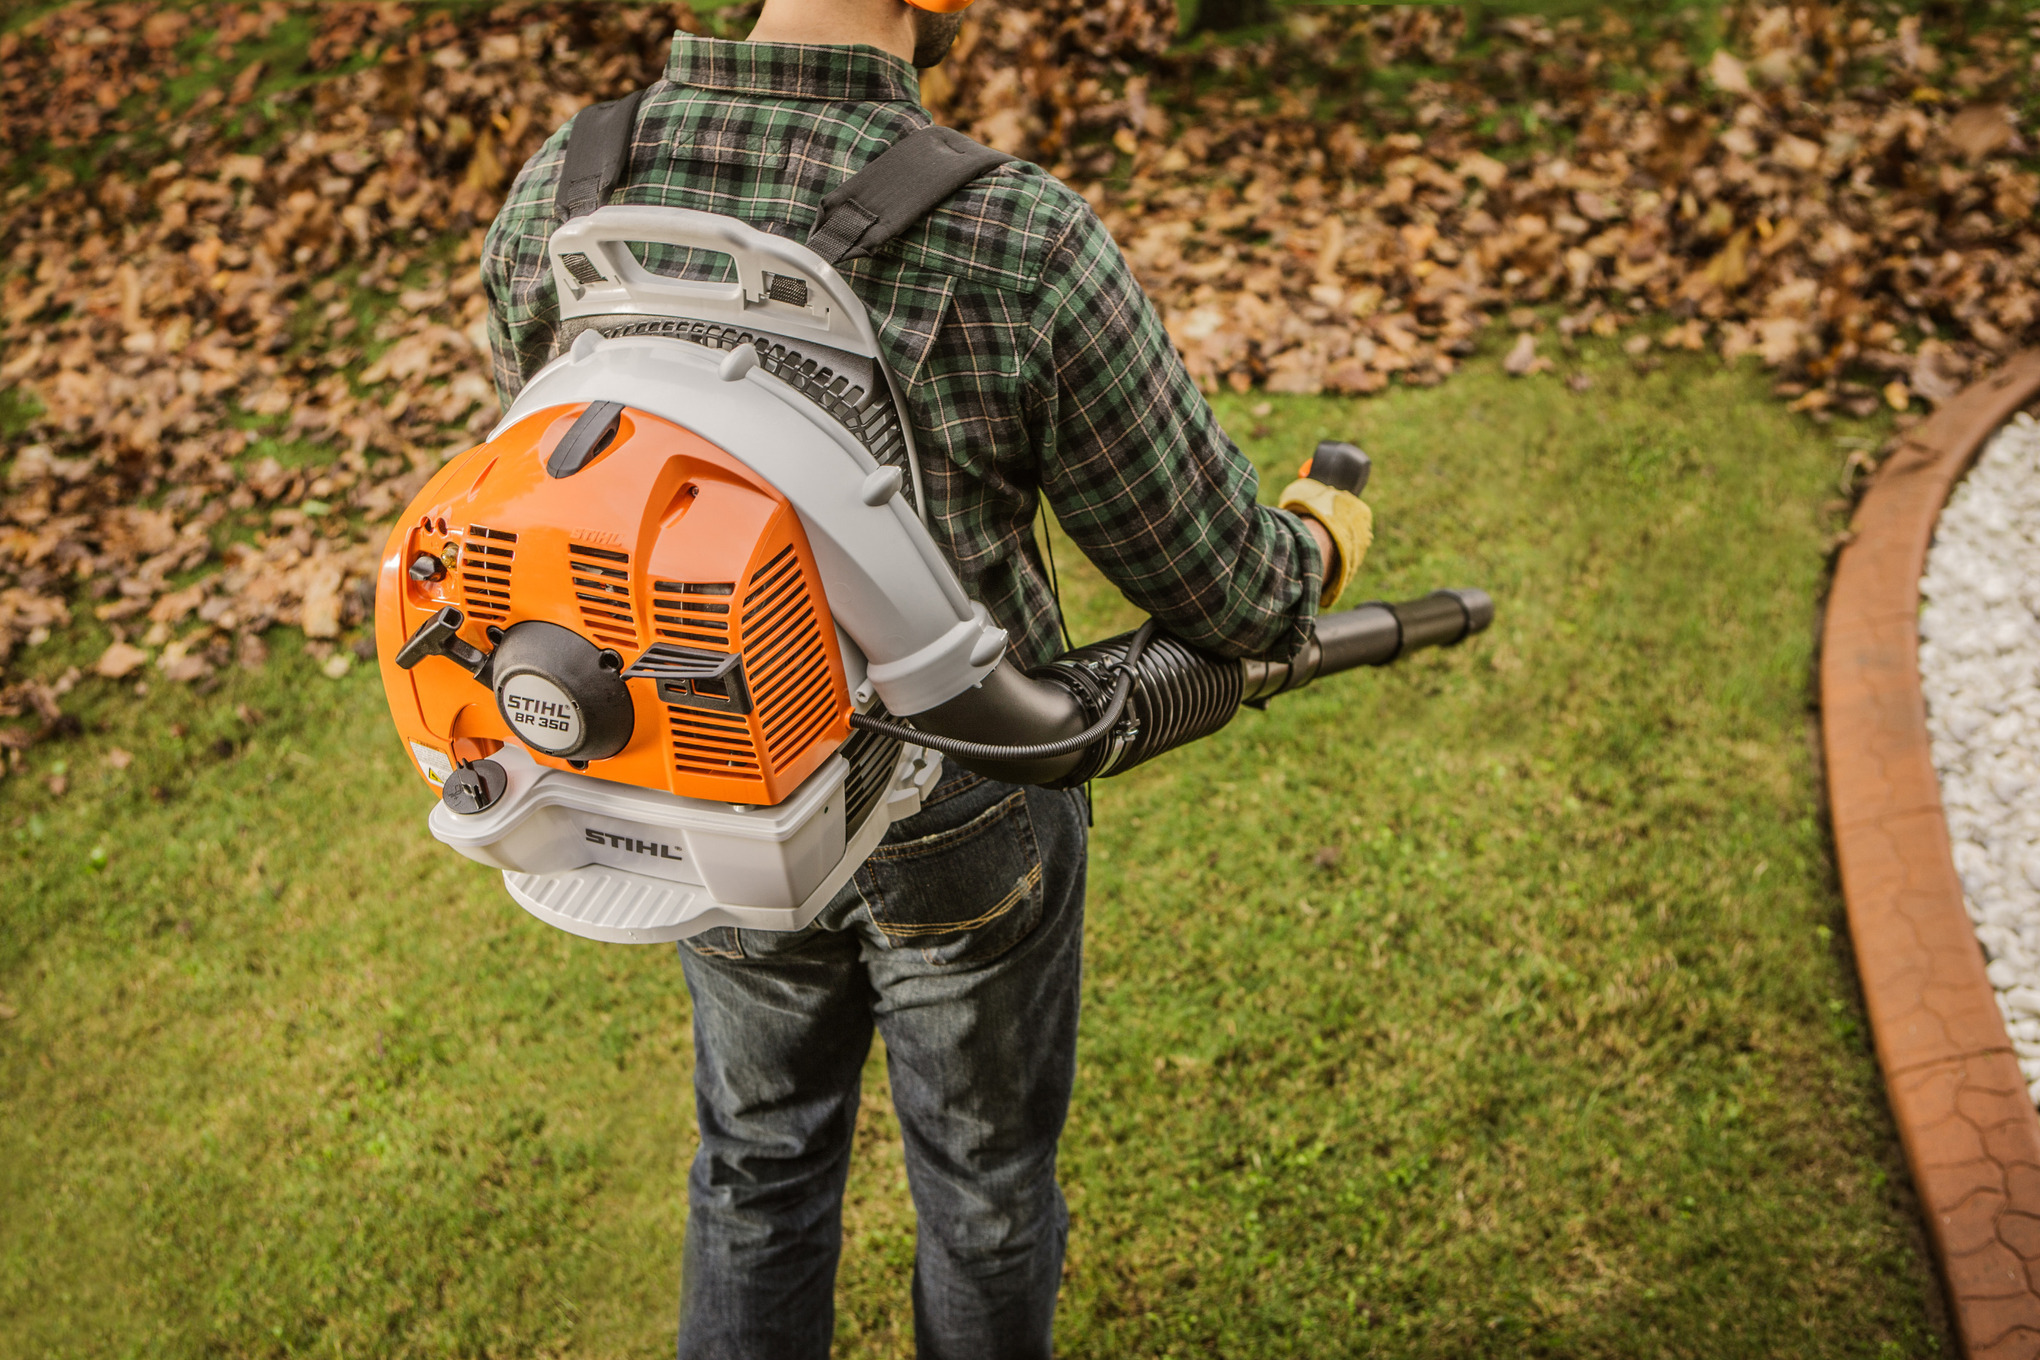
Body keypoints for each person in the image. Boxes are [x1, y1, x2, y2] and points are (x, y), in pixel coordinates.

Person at [480, 1, 1370, 1355]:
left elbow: (548, 475)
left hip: (712, 775)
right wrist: (1313, 544)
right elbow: (1230, 593)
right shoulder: (1016, 238)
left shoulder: (567, 185)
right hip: (968, 792)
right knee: (986, 1187)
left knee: (758, 1157)